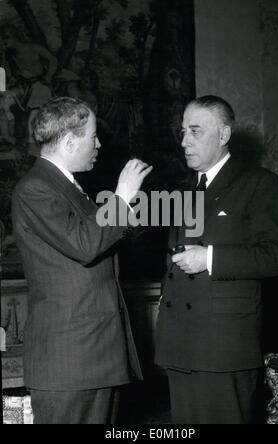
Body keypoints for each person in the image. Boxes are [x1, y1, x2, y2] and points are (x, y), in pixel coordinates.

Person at [12, 97, 152, 424]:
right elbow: (85, 245)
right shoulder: (35, 187)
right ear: (70, 141)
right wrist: (121, 196)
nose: (98, 144)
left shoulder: (69, 187)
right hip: (71, 361)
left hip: (94, 355)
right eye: (92, 136)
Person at [155, 95, 278, 424]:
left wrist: (210, 258)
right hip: (179, 346)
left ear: (224, 135)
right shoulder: (185, 191)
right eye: (183, 131)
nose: (185, 141)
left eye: (196, 131)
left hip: (222, 347)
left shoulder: (258, 183)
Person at [1, 25, 57, 156]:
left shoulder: (34, 48)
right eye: (2, 38)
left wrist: (48, 76)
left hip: (39, 85)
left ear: (16, 37)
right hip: (22, 87)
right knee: (3, 104)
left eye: (6, 37)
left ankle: (33, 147)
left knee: (34, 115)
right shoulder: (9, 55)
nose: (4, 41)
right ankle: (8, 139)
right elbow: (9, 75)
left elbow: (53, 60)